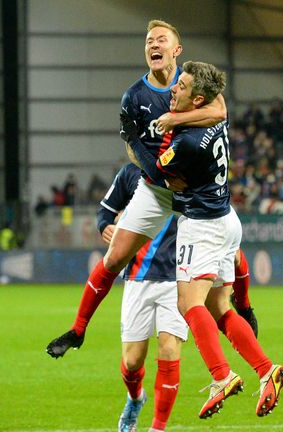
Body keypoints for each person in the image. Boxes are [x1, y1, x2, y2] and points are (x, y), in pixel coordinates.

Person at [46, 19, 231, 355]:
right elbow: (132, 146)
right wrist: (159, 177)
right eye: (148, 41)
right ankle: (77, 330)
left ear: (177, 50)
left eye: (161, 40)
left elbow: (220, 111)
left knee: (229, 249)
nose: (153, 45)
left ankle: (243, 308)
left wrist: (175, 119)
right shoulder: (133, 96)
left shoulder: (190, 82)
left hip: (195, 191)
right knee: (115, 257)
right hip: (157, 187)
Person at [122, 61, 283, 419]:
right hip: (228, 220)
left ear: (197, 99)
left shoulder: (186, 144)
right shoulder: (216, 118)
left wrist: (132, 136)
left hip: (203, 225)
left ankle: (221, 375)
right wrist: (175, 117)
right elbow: (212, 108)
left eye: (180, 87)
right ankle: (266, 369)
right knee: (219, 308)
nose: (173, 91)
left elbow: (153, 170)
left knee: (188, 303)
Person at [97, 163, 185, 432]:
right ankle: (135, 398)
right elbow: (105, 211)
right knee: (132, 361)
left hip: (178, 277)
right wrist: (104, 226)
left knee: (169, 350)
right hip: (138, 276)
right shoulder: (132, 173)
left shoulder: (189, 170)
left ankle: (157, 428)